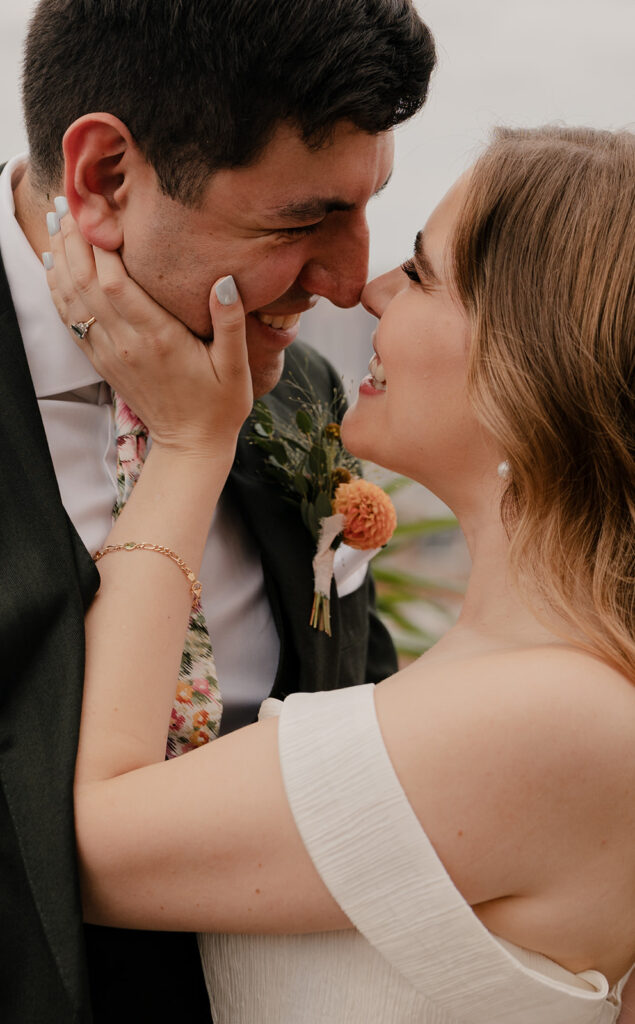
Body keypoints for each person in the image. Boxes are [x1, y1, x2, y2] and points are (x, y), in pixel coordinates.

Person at [46, 123, 634, 1022]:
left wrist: (190, 443)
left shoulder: (555, 715)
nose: (370, 289)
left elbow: (82, 851)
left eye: (423, 270)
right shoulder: (527, 674)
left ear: (529, 357)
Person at [0, 1, 437, 1020]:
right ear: (104, 178)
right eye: (301, 219)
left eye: (367, 205)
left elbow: (352, 710)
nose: (351, 282)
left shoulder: (295, 390)